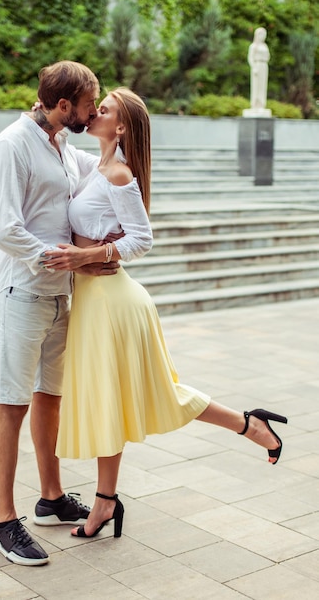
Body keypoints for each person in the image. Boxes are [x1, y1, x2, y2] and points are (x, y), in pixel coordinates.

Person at [41, 87, 288, 539]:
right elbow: (57, 136)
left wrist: (85, 256)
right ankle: (107, 501)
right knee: (114, 402)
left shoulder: (118, 173)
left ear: (120, 127)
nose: (96, 111)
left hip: (114, 303)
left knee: (148, 396)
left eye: (107, 108)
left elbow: (143, 239)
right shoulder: (95, 165)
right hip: (95, 303)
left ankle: (249, 426)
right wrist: (44, 110)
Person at [0, 60, 120, 566]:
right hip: (20, 293)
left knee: (49, 399)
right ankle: (3, 522)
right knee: (11, 403)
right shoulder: (11, 146)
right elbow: (5, 230)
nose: (93, 109)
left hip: (60, 296)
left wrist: (119, 127)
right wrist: (56, 256)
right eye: (90, 103)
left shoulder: (64, 146)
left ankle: (51, 498)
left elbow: (109, 165)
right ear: (63, 105)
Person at [248, 27, 270, 110]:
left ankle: (262, 103)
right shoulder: (253, 46)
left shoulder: (265, 46)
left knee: (262, 86)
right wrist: (254, 67)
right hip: (257, 65)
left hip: (264, 66)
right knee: (256, 86)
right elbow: (250, 58)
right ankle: (255, 103)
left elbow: (268, 56)